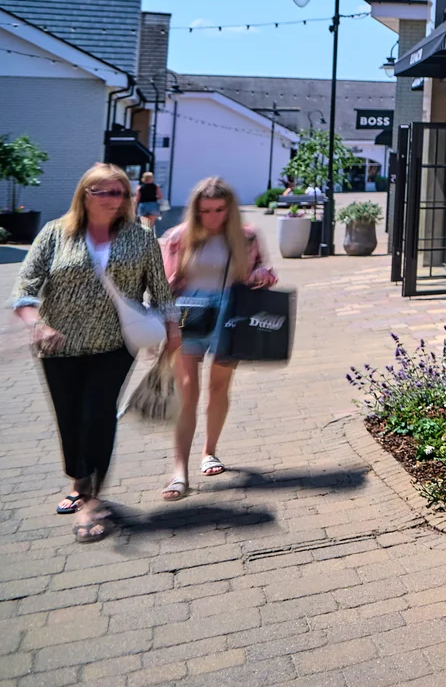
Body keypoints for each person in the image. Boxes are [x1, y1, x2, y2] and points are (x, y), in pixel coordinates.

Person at [11, 163, 179, 542]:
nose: (112, 199)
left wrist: (172, 330)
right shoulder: (55, 233)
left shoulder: (140, 237)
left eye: (119, 192)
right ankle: (78, 478)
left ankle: (92, 500)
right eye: (102, 191)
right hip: (59, 346)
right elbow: (25, 287)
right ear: (84, 195)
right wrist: (37, 324)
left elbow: (161, 291)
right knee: (69, 417)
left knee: (98, 414)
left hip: (114, 345)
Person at [159, 177, 275, 500]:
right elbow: (163, 287)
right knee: (187, 391)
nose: (212, 217)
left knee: (219, 387)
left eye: (219, 209)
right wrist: (165, 328)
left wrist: (261, 276)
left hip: (231, 313)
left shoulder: (246, 237)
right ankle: (179, 470)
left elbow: (261, 271)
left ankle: (209, 451)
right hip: (189, 313)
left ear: (230, 208)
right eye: (205, 210)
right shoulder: (177, 237)